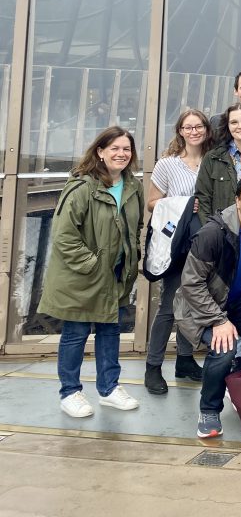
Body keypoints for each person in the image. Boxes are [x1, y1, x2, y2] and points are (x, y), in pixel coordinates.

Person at [39, 126, 145, 418]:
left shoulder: (133, 186)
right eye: (115, 148)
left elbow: (135, 228)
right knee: (76, 332)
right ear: (100, 151)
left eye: (126, 149)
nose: (121, 154)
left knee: (110, 331)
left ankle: (109, 389)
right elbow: (63, 236)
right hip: (83, 277)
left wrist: (131, 258)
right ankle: (70, 392)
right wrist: (94, 265)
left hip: (117, 275)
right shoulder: (82, 187)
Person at [174, 173, 241, 438]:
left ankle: (236, 381)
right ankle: (209, 409)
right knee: (224, 348)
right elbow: (191, 283)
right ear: (237, 199)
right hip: (202, 303)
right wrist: (218, 320)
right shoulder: (213, 233)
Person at [144, 108, 213, 395]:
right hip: (176, 244)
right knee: (169, 306)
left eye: (199, 127)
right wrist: (183, 203)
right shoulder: (167, 164)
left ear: (206, 131)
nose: (194, 131)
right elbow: (151, 203)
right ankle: (153, 366)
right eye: (188, 127)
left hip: (204, 243)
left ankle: (185, 361)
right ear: (180, 131)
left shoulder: (213, 161)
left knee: (193, 303)